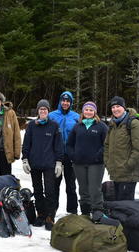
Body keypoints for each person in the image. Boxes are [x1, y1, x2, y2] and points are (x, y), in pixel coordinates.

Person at [22, 99, 63, 231]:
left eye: (45, 109)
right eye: (41, 109)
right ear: (38, 111)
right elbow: (26, 144)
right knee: (38, 190)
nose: (43, 111)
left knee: (50, 191)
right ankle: (41, 214)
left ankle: (50, 217)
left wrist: (58, 162)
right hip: (35, 164)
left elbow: (58, 145)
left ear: (48, 111)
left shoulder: (54, 126)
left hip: (49, 164)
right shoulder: (32, 126)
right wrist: (25, 159)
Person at [67, 101, 108, 220]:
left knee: (94, 188)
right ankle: (85, 213)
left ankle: (97, 212)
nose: (88, 112)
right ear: (83, 112)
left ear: (95, 112)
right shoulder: (77, 126)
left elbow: (106, 144)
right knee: (83, 189)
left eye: (91, 110)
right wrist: (73, 156)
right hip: (79, 163)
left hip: (96, 164)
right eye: (86, 110)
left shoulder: (101, 126)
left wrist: (98, 156)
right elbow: (69, 144)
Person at [104, 96, 139, 200]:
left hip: (128, 174)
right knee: (119, 205)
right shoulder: (113, 125)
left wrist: (129, 165)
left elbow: (138, 148)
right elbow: (107, 145)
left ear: (124, 107)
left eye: (118, 106)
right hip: (115, 172)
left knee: (126, 206)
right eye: (113, 107)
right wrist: (107, 162)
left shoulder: (134, 123)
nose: (115, 109)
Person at [49, 91, 79, 214]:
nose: (65, 103)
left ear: (71, 103)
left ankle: (72, 210)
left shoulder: (76, 117)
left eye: (68, 101)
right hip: (55, 155)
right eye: (63, 100)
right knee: (54, 184)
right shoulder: (52, 115)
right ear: (60, 101)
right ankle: (52, 210)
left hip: (70, 156)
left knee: (71, 185)